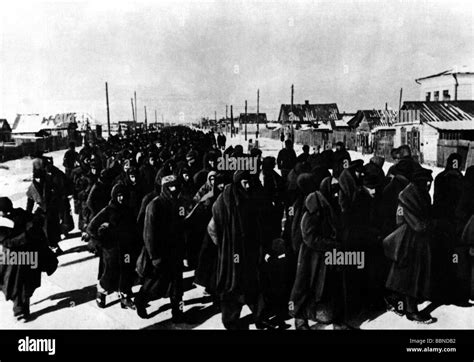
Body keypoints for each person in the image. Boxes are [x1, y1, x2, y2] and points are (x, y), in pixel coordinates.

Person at [207, 170, 268, 329]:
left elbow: (258, 224)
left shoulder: (251, 198)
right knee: (233, 287)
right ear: (237, 183)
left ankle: (259, 317)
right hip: (232, 253)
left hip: (249, 251)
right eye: (244, 183)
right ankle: (230, 321)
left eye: (249, 182)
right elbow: (212, 228)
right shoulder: (224, 201)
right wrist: (224, 246)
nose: (247, 186)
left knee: (254, 284)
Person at [384, 167, 436, 324]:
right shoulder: (408, 198)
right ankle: (410, 311)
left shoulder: (419, 194)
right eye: (428, 182)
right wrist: (432, 225)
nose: (429, 185)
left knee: (408, 277)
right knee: (409, 277)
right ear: (421, 182)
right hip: (408, 243)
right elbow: (418, 225)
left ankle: (402, 303)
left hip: (415, 242)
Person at [135, 175, 187, 323]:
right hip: (159, 254)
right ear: (164, 188)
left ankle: (177, 312)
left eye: (176, 186)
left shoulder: (179, 203)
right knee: (153, 284)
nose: (174, 189)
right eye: (170, 187)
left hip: (175, 252)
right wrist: (155, 257)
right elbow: (149, 235)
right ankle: (140, 301)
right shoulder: (154, 205)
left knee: (177, 286)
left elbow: (182, 226)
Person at [0, 197, 58, 321]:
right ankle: (20, 309)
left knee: (27, 283)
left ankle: (22, 306)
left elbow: (35, 224)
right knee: (15, 284)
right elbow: (8, 242)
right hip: (12, 258)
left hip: (28, 254)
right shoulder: (1, 223)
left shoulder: (21, 214)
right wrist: (27, 235)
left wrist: (37, 221)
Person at [87, 184, 138, 310]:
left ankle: (125, 296)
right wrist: (102, 239)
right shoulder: (108, 210)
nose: (121, 198)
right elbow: (91, 228)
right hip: (111, 249)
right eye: (119, 196)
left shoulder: (129, 210)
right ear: (114, 196)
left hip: (126, 248)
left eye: (123, 196)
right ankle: (101, 291)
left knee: (126, 271)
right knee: (110, 272)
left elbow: (133, 227)